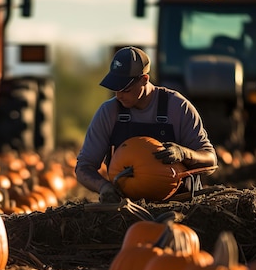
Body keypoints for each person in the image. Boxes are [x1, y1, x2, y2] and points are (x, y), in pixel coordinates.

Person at [75, 46, 217, 203]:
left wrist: (184, 154)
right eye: (115, 89)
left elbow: (211, 161)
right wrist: (103, 187)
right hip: (128, 207)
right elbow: (83, 167)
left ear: (144, 80)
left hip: (179, 205)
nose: (119, 95)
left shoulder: (178, 108)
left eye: (126, 89)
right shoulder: (109, 112)